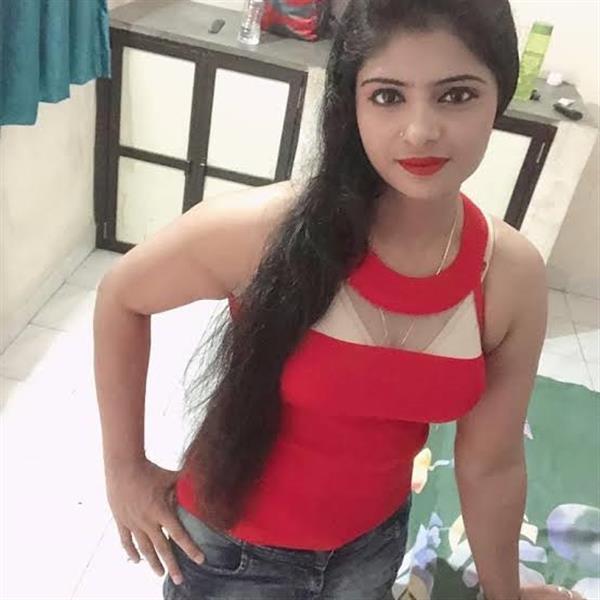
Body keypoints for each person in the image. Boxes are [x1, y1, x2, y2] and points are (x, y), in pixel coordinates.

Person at [93, 1, 584, 599]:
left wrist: (505, 595)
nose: (421, 130)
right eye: (387, 96)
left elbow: (492, 463)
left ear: (499, 96)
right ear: (352, 102)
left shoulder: (508, 276)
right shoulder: (261, 232)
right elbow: (121, 297)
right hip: (231, 557)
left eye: (456, 95)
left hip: (372, 548)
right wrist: (124, 469)